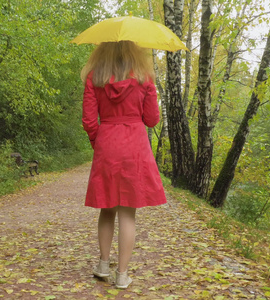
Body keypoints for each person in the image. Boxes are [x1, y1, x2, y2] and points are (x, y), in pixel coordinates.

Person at [81, 40, 167, 289]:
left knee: (107, 208)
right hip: (134, 146)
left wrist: (98, 141)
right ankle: (122, 275)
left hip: (107, 141)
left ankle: (103, 265)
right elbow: (151, 120)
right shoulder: (144, 77)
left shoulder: (94, 77)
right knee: (128, 211)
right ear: (133, 52)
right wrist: (150, 91)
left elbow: (89, 120)